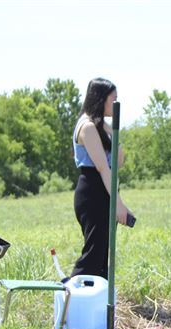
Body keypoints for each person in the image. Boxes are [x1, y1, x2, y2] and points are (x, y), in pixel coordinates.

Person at [70, 78, 132, 279]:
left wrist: (114, 134)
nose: (116, 104)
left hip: (103, 190)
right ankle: (72, 297)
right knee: (93, 254)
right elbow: (104, 169)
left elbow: (119, 162)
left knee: (102, 253)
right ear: (100, 99)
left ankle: (98, 300)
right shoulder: (87, 127)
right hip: (93, 192)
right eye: (113, 99)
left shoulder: (102, 127)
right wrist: (119, 205)